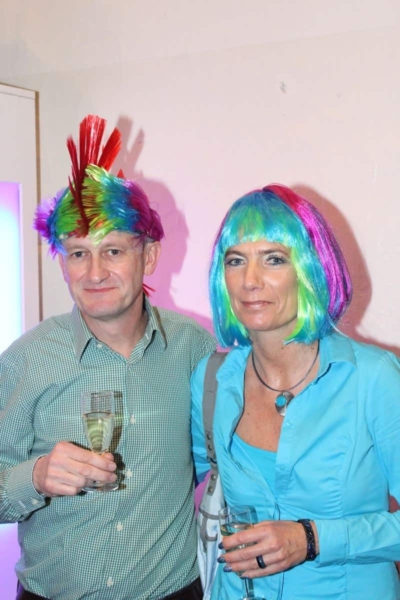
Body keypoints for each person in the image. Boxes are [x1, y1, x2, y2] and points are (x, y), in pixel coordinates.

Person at [0, 115, 215, 600]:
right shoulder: (26, 360)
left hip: (173, 591)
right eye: (78, 254)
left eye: (113, 251)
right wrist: (35, 477)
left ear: (149, 257)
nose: (95, 273)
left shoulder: (193, 348)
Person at [191, 184, 400, 600]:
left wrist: (311, 539)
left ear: (311, 268)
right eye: (235, 260)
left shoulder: (373, 378)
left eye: (274, 259)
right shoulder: (212, 380)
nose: (250, 281)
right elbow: (170, 486)